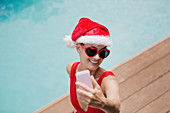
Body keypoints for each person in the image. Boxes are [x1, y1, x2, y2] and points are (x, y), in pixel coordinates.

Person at [64, 17, 120, 113]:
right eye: (91, 51)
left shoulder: (108, 80)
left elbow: (116, 108)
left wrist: (102, 103)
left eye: (103, 52)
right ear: (78, 48)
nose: (97, 57)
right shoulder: (71, 68)